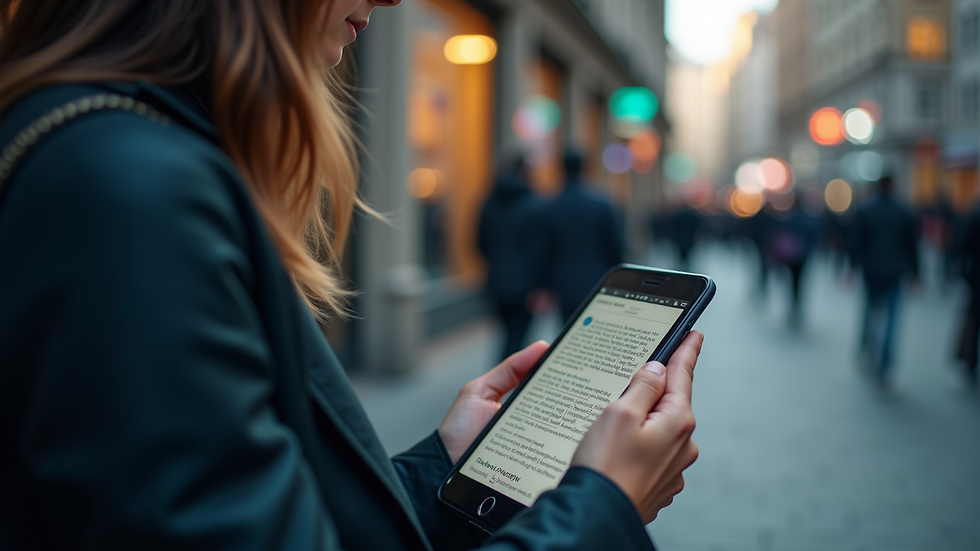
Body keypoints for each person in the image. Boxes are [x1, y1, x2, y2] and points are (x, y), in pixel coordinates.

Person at [0, 2, 703, 550]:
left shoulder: (121, 158)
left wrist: (443, 466)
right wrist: (603, 503)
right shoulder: (132, 194)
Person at [535, 150, 625, 323]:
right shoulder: (602, 204)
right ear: (585, 167)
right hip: (597, 279)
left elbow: (542, 251)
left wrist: (543, 285)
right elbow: (616, 246)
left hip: (563, 282)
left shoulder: (549, 206)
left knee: (568, 327)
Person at [849, 175, 919, 387]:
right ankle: (885, 363)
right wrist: (916, 274)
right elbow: (911, 245)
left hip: (871, 270)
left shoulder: (866, 210)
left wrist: (851, 268)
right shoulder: (903, 211)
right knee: (891, 319)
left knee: (871, 311)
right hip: (894, 271)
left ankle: (869, 348)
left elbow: (856, 242)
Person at [478, 158, 542, 360]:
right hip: (525, 284)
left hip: (496, 280)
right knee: (517, 337)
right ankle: (509, 374)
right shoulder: (532, 204)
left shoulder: (489, 203)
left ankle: (504, 371)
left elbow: (479, 243)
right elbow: (539, 250)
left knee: (507, 335)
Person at [767, 194, 817, 328]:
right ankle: (797, 306)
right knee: (800, 282)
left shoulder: (788, 218)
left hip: (791, 256)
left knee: (792, 282)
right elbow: (814, 238)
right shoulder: (808, 219)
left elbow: (780, 236)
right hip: (803, 256)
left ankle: (793, 307)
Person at [955, 202, 980, 388]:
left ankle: (970, 362)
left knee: (974, 321)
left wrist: (966, 275)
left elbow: (963, 246)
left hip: (977, 278)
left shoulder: (974, 215)